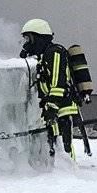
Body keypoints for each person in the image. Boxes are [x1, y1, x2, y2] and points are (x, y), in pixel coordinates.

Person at [19, 19, 83, 161]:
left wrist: (52, 107)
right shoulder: (42, 56)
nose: (27, 43)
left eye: (29, 38)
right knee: (51, 142)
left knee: (64, 144)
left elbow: (58, 83)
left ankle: (69, 168)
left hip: (63, 105)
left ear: (38, 37)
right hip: (51, 105)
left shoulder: (55, 53)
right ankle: (55, 168)